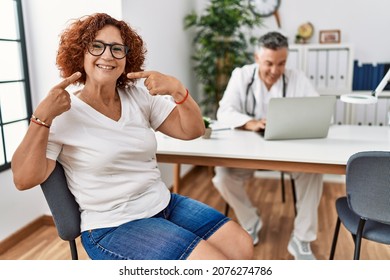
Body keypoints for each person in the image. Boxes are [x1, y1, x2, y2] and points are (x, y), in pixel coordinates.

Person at [11, 13, 253, 260]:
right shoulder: (62, 112)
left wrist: (178, 90)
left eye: (117, 49)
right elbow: (23, 179)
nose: (107, 55)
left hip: (163, 203)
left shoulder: (138, 97)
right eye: (97, 46)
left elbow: (192, 131)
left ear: (127, 58)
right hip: (113, 225)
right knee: (212, 264)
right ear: (80, 53)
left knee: (241, 246)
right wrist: (41, 118)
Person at [211, 32, 323, 260]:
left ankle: (301, 239)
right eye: (268, 63)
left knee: (313, 174)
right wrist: (251, 123)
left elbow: (318, 112)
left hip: (289, 153)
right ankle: (250, 220)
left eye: (281, 63)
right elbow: (224, 112)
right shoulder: (241, 76)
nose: (274, 70)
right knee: (222, 176)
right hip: (248, 153)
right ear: (256, 58)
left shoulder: (297, 78)